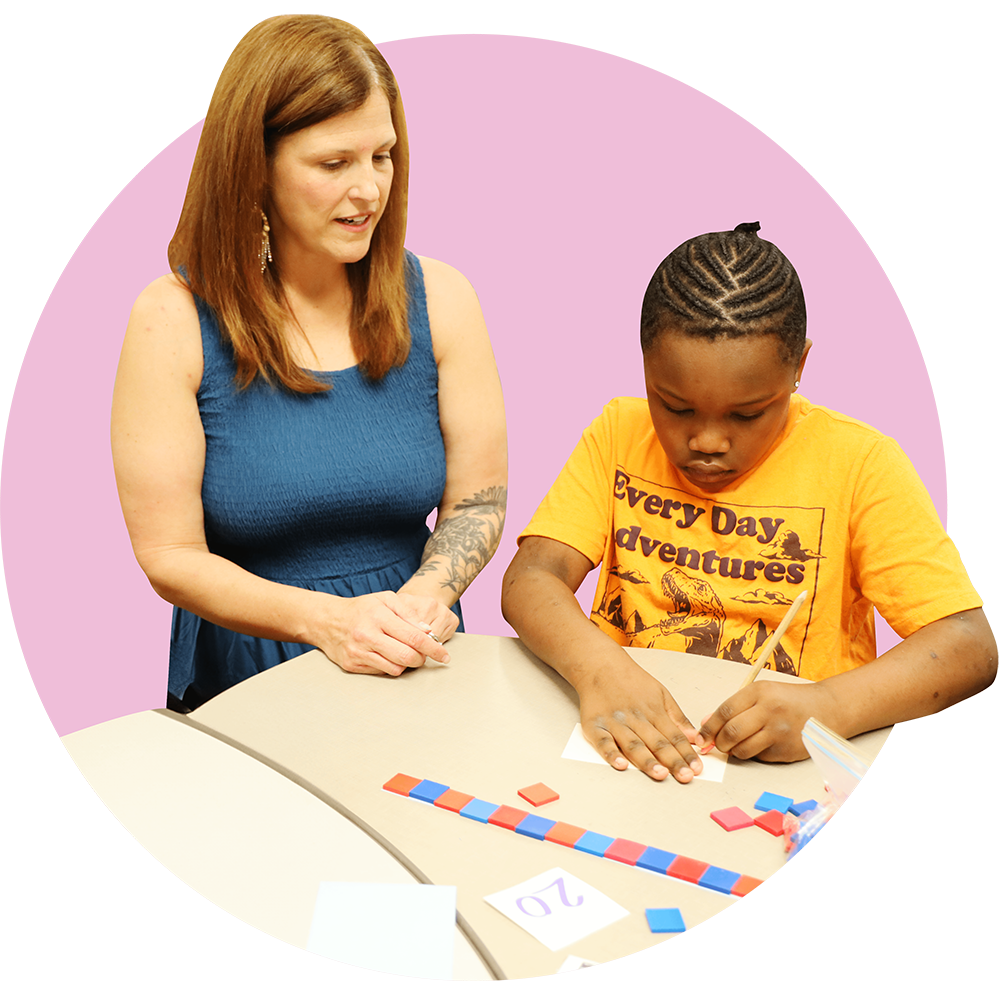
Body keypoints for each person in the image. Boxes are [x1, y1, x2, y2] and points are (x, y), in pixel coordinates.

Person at [501, 222, 996, 784]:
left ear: (799, 367)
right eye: (675, 407)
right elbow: (530, 578)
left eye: (746, 414)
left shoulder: (861, 463)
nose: (707, 441)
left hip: (787, 775)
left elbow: (969, 645)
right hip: (627, 751)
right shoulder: (618, 433)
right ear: (644, 365)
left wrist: (830, 708)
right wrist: (599, 670)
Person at [111, 16, 507, 712]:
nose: (369, 190)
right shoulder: (170, 320)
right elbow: (169, 555)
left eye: (382, 156)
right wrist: (327, 622)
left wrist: (425, 597)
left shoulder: (443, 297)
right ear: (254, 167)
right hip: (251, 677)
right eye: (334, 164)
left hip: (414, 654)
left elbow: (479, 499)